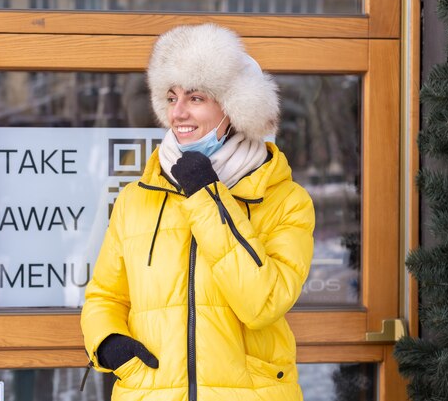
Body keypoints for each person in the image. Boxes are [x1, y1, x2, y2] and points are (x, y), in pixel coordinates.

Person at [81, 23, 315, 401]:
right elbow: (105, 295)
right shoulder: (136, 198)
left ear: (234, 107)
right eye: (171, 98)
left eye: (196, 98)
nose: (179, 113)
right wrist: (107, 343)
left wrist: (207, 196)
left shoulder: (286, 199)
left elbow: (263, 304)